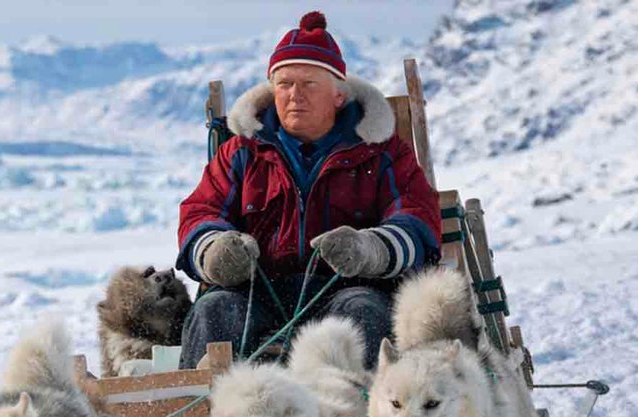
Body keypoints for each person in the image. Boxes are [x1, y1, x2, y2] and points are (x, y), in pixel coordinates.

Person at [175, 11, 441, 369]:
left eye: (309, 84)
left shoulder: (382, 152)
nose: (294, 95)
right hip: (255, 291)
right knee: (214, 309)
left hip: (348, 291)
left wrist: (372, 248)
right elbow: (201, 211)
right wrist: (214, 251)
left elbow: (416, 216)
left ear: (338, 94)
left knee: (364, 313)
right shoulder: (240, 152)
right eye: (284, 84)